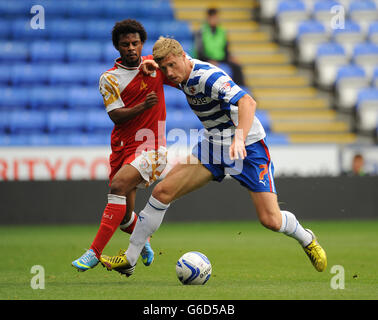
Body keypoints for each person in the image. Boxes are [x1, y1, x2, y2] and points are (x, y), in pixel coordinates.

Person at [100, 37, 327, 277]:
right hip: (214, 144)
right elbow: (155, 64)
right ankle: (130, 258)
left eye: (172, 65)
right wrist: (151, 65)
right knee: (161, 192)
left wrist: (239, 138)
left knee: (270, 219)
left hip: (248, 146)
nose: (169, 73)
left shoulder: (208, 77)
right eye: (164, 68)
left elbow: (248, 102)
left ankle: (306, 237)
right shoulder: (176, 72)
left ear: (184, 57)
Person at [71, 20, 175, 273]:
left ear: (142, 44)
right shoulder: (109, 78)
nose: (131, 48)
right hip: (122, 147)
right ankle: (143, 243)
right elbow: (116, 115)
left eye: (135, 43)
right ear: (117, 47)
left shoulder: (154, 65)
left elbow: (181, 66)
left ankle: (93, 252)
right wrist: (143, 105)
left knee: (118, 186)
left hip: (152, 147)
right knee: (125, 217)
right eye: (125, 44)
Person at [194, 7, 246, 87]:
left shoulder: (222, 31)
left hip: (221, 59)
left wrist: (230, 57)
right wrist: (209, 60)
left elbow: (225, 49)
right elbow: (199, 51)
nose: (215, 20)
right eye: (212, 17)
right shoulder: (201, 31)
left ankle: (240, 90)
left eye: (216, 17)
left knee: (237, 67)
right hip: (205, 59)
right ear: (208, 18)